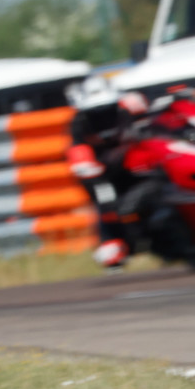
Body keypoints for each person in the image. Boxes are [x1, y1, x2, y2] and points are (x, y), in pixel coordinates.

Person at [64, 77, 153, 269]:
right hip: (107, 173)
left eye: (107, 108)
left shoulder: (133, 107)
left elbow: (154, 127)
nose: (103, 116)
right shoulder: (78, 122)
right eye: (95, 111)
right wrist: (87, 167)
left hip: (140, 163)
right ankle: (113, 241)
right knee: (105, 200)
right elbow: (78, 151)